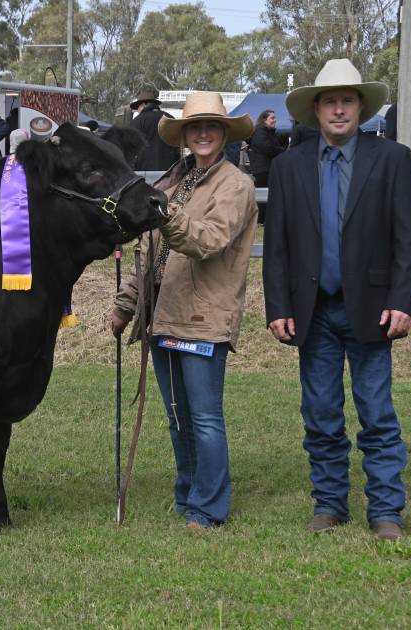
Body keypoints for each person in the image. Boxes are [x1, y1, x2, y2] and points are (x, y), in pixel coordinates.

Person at [262, 59, 411, 542]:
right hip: (313, 310)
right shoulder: (289, 167)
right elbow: (278, 247)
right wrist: (278, 306)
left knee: (377, 413)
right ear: (315, 109)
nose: (338, 109)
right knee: (321, 414)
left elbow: (407, 240)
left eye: (347, 100)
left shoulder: (392, 158)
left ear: (361, 108)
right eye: (330, 101)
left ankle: (386, 511)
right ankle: (330, 504)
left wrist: (403, 300)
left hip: (373, 307)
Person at [110, 92, 258, 530]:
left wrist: (164, 210)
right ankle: (188, 494)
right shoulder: (174, 181)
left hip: (204, 317)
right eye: (196, 127)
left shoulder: (236, 186)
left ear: (225, 133)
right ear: (185, 136)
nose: (204, 133)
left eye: (212, 126)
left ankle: (208, 507)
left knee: (205, 417)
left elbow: (208, 241)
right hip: (163, 315)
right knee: (177, 415)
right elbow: (148, 253)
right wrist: (126, 304)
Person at [129, 87, 178, 172]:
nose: (137, 110)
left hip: (144, 172)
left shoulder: (137, 121)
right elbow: (177, 146)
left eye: (138, 107)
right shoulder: (170, 118)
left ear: (144, 104)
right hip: (169, 172)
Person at [248, 109, 285, 191]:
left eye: (275, 118)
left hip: (268, 169)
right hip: (263, 171)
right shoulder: (259, 132)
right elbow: (269, 149)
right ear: (264, 120)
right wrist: (283, 150)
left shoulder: (269, 132)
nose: (275, 120)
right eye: (272, 118)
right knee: (264, 196)